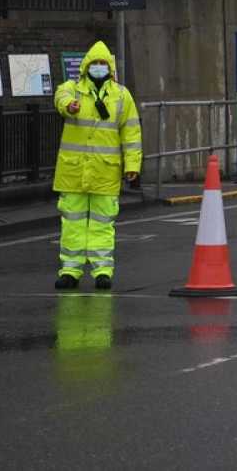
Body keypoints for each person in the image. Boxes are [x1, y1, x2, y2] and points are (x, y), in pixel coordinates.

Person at [51, 41, 141, 290]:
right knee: (72, 223)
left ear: (110, 68)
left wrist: (132, 165)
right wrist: (69, 107)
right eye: (94, 64)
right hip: (74, 172)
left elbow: (131, 133)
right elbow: (60, 97)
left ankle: (102, 271)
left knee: (103, 224)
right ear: (85, 67)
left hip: (105, 171)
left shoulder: (122, 96)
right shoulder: (73, 90)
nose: (98, 67)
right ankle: (70, 270)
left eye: (103, 64)